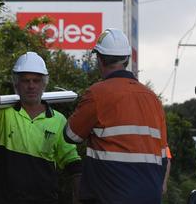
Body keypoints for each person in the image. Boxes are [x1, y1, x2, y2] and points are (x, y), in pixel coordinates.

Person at [64, 29, 169, 204]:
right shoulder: (153, 99)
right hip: (150, 196)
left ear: (99, 59)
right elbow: (163, 154)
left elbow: (70, 135)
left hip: (109, 196)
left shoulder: (97, 94)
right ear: (127, 59)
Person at [0, 51, 82, 204]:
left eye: (36, 80)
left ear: (44, 84)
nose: (31, 86)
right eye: (25, 81)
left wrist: (79, 195)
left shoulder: (58, 120)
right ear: (16, 84)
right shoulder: (4, 114)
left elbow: (71, 160)